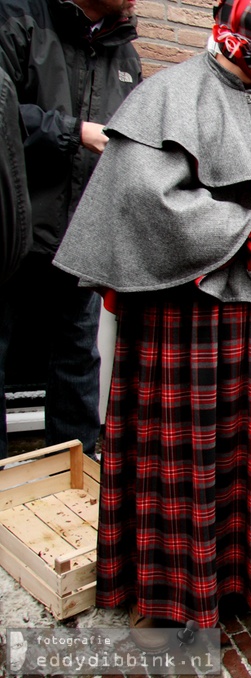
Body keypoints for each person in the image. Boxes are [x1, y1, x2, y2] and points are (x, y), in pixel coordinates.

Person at [52, 0, 251, 646]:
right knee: (183, 464)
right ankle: (171, 594)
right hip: (188, 329)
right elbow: (144, 199)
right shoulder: (169, 96)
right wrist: (250, 231)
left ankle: (244, 584)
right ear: (244, 30)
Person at [0, 0, 141, 459]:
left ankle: (74, 474)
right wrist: (72, 131)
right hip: (11, 232)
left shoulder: (124, 52)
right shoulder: (19, 18)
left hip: (80, 237)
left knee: (78, 360)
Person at [0, 66, 30, 284]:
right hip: (33, 249)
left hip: (83, 249)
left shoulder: (125, 55)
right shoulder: (20, 32)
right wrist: (74, 131)